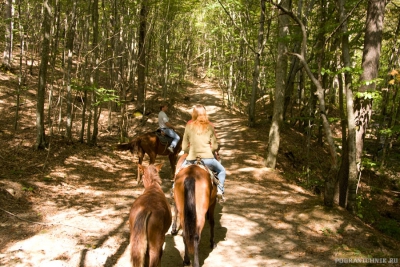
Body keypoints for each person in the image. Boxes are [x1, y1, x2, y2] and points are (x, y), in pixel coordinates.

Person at [182, 104, 226, 200]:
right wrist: (208, 151)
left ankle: (173, 188)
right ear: (205, 113)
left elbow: (184, 147)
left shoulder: (188, 126)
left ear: (194, 114)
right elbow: (215, 146)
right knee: (222, 171)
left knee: (179, 171)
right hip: (208, 159)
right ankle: (219, 190)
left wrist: (191, 152)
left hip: (192, 159)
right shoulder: (209, 126)